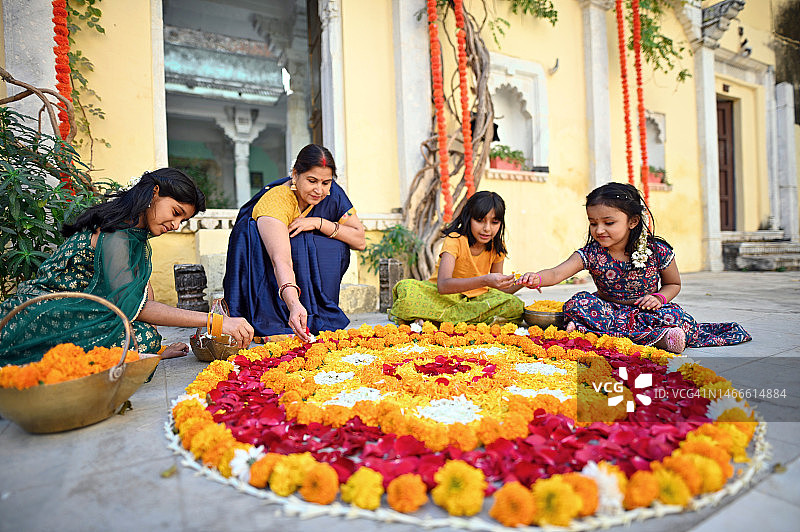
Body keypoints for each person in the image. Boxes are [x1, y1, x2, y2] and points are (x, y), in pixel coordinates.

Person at [0, 168, 255, 367]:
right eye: (175, 212)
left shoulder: (136, 232)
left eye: (182, 220)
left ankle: (146, 351)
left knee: (146, 337)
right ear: (154, 193)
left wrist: (156, 349)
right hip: (45, 312)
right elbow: (135, 306)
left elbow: (142, 287)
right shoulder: (115, 234)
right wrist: (217, 322)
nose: (176, 225)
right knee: (137, 337)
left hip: (79, 309)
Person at [518, 182, 751, 353]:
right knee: (579, 302)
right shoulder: (591, 253)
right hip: (608, 311)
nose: (599, 230)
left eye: (609, 223)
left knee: (675, 316)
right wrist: (536, 278)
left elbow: (673, 284)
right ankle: (649, 338)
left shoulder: (658, 250)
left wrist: (659, 298)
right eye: (593, 223)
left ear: (633, 221)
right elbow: (558, 273)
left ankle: (659, 337)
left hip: (647, 312)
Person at [223, 144, 366, 342]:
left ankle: (316, 313)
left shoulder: (332, 193)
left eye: (326, 182)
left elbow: (359, 240)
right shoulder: (277, 200)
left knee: (335, 243)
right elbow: (280, 259)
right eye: (311, 180)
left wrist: (318, 223)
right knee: (300, 239)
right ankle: (286, 315)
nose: (319, 190)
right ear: (295, 174)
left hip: (298, 271)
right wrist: (294, 304)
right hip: (270, 274)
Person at [390, 191, 525, 325]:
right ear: (468, 218)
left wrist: (523, 282)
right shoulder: (455, 239)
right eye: (479, 221)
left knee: (515, 305)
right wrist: (484, 280)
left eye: (494, 222)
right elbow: (443, 286)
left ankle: (436, 320)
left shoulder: (497, 246)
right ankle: (465, 320)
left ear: (501, 224)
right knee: (407, 289)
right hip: (443, 297)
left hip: (476, 300)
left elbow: (499, 289)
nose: (487, 229)